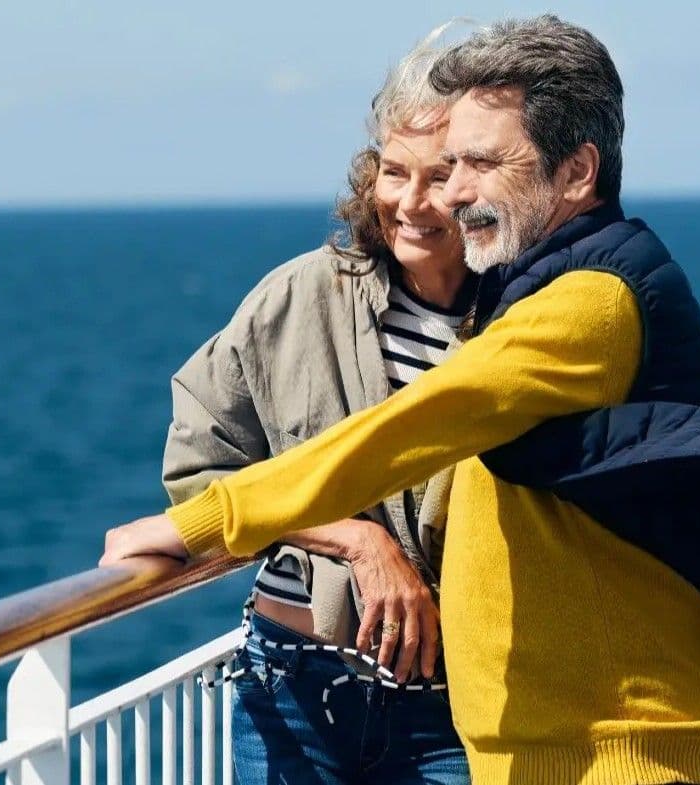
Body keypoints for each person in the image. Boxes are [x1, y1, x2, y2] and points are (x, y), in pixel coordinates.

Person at [105, 15, 700, 785]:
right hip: (545, 751)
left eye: (479, 164)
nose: (451, 194)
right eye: (440, 163)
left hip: (615, 757)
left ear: (577, 172)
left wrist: (206, 521)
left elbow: (424, 420)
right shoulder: (525, 288)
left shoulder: (588, 302)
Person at [156, 26, 473, 785]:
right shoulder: (300, 295)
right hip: (290, 684)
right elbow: (199, 470)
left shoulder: (523, 318)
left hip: (459, 706)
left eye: (443, 176)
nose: (412, 202)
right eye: (394, 172)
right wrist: (357, 542)